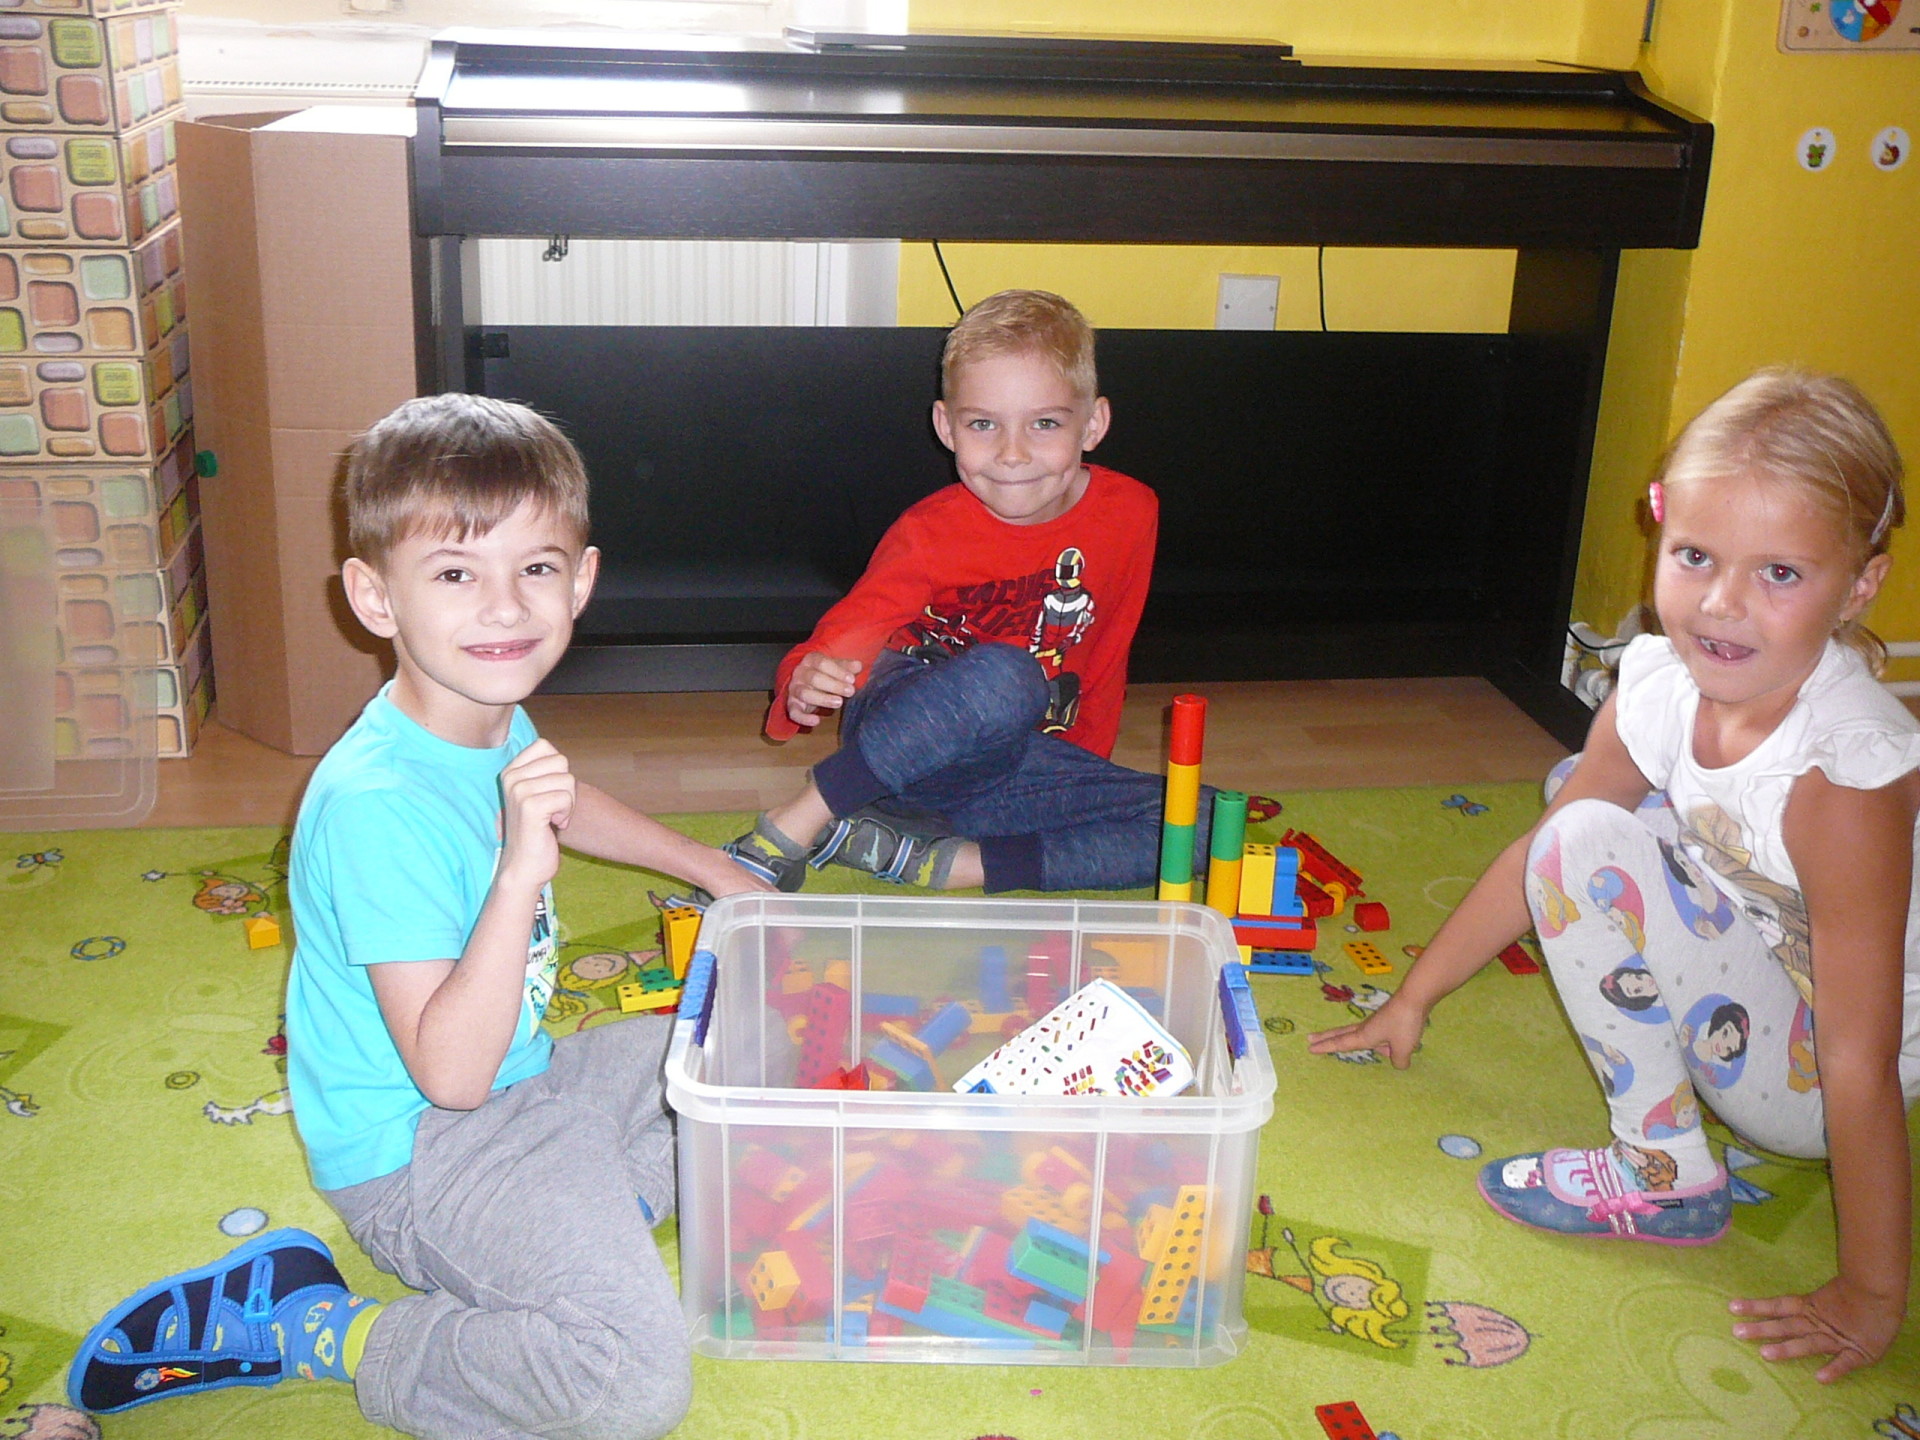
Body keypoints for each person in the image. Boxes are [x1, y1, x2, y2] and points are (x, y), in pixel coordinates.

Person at [68, 394, 768, 1437]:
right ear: (375, 596)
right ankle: (318, 1326)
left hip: (527, 1078)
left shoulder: (481, 704)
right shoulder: (376, 809)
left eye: (536, 568)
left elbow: (556, 796)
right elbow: (451, 1077)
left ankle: (574, 1222)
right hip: (423, 1149)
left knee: (752, 1054)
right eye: (454, 574)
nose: (505, 608)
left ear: (581, 580)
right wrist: (516, 879)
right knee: (628, 1383)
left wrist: (713, 868)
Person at [1312, 367, 1918, 1381]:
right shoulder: (1663, 682)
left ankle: (1665, 1174)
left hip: (1822, 1073)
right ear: (1659, 529)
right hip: (1762, 972)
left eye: (1779, 573)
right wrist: (1412, 997)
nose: (1721, 605)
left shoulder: (1843, 778)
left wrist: (1873, 1293)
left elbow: (1860, 1059)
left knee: (1593, 839)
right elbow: (1540, 851)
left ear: (1860, 586)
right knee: (1582, 805)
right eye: (1695, 556)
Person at [725, 288, 1212, 894]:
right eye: (984, 424)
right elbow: (851, 631)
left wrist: (1077, 770)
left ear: (1092, 424)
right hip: (903, 741)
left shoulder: (1131, 511)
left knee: (1205, 823)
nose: (1012, 454)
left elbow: (1107, 651)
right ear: (946, 426)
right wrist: (803, 682)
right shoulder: (929, 532)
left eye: (1045, 423)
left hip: (1007, 767)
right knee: (1008, 677)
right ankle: (792, 827)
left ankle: (929, 860)